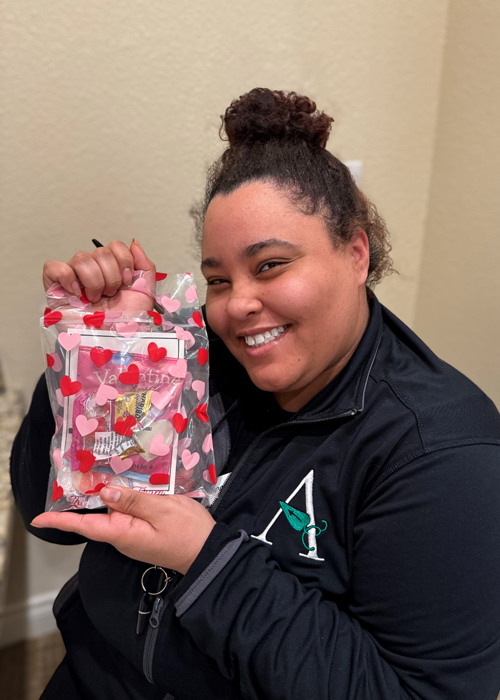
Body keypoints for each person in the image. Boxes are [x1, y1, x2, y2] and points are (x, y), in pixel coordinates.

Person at [10, 88, 500, 700]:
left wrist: (209, 562)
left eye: (270, 265)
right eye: (218, 279)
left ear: (355, 253)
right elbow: (53, 521)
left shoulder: (445, 455)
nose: (237, 305)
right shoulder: (192, 361)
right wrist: (106, 359)